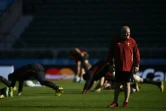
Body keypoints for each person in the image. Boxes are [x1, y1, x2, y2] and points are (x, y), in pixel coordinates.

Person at [106, 26, 140, 108]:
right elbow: (110, 54)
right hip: (118, 66)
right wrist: (110, 64)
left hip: (128, 67)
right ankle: (115, 102)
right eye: (126, 32)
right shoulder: (115, 41)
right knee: (117, 84)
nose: (128, 34)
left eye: (129, 32)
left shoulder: (132, 41)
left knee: (127, 84)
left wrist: (137, 64)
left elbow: (137, 54)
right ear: (121, 33)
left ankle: (126, 102)